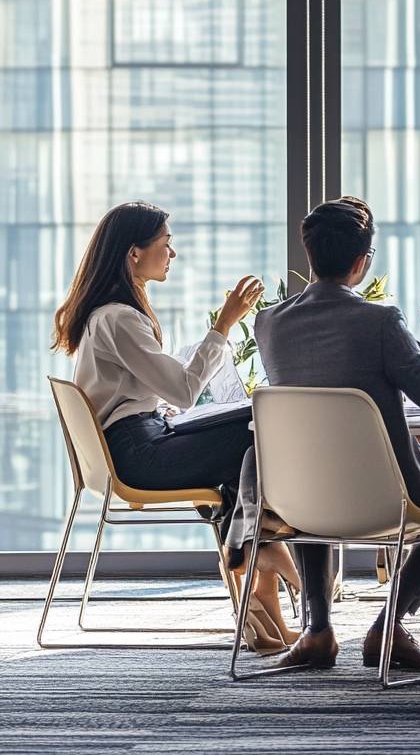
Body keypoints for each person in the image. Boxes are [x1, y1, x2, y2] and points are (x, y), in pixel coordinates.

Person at [253, 197, 420, 672]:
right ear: (363, 262)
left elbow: (332, 385)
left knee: (318, 479)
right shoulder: (380, 321)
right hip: (388, 495)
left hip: (300, 496)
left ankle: (318, 632)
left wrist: (417, 371)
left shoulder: (269, 322)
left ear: (309, 253)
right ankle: (389, 626)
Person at [53, 201, 298, 653]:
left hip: (137, 439)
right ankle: (259, 541)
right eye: (165, 244)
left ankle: (259, 588)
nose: (173, 253)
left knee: (247, 445)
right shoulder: (119, 318)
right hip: (136, 455)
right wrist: (224, 325)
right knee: (261, 422)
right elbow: (184, 390)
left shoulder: (105, 314)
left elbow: (151, 394)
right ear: (134, 253)